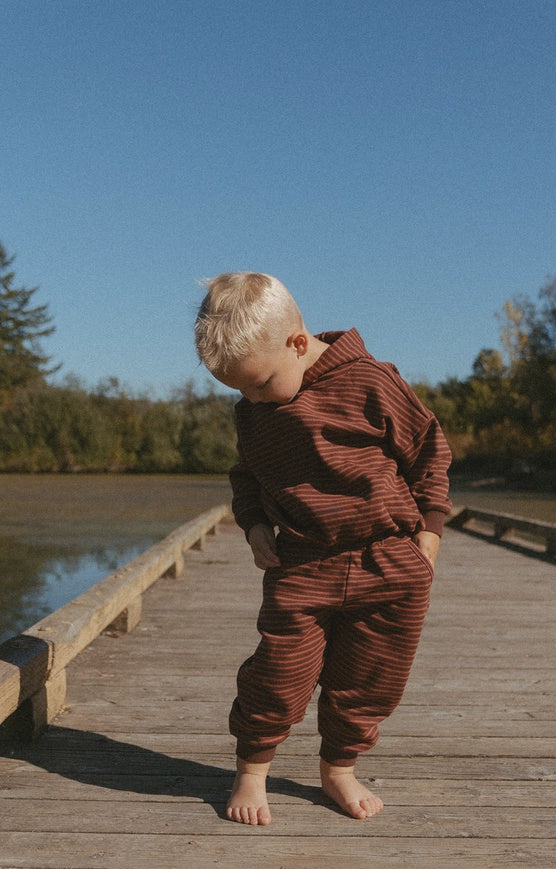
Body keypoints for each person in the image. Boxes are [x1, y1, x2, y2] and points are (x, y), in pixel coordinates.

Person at [194, 272, 452, 826]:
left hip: (388, 559)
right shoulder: (255, 411)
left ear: (296, 343)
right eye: (239, 390)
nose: (251, 398)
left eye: (259, 383)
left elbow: (430, 452)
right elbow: (247, 474)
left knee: (369, 676)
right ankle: (252, 769)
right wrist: (255, 523)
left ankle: (339, 768)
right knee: (278, 670)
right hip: (303, 561)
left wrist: (428, 533)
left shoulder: (371, 382)